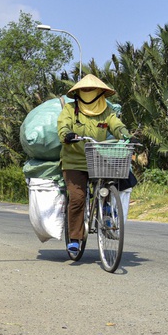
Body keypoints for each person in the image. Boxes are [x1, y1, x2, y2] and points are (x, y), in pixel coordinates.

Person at [57, 73, 132, 255]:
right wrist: (67, 134)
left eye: (91, 89)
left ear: (100, 92)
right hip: (74, 161)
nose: (88, 92)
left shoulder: (106, 110)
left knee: (111, 180)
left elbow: (116, 124)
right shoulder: (69, 109)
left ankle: (106, 211)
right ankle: (75, 238)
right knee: (77, 198)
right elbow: (63, 125)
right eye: (84, 90)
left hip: (97, 159)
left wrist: (125, 133)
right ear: (78, 93)